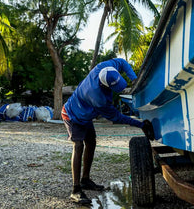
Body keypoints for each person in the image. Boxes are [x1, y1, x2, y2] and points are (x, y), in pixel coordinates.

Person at [61, 58, 153, 204]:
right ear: (105, 86)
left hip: (86, 115)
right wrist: (140, 125)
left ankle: (85, 180)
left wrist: (134, 79)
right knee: (78, 146)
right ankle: (76, 190)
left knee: (91, 143)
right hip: (72, 115)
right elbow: (116, 117)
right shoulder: (98, 97)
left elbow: (122, 62)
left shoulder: (104, 67)